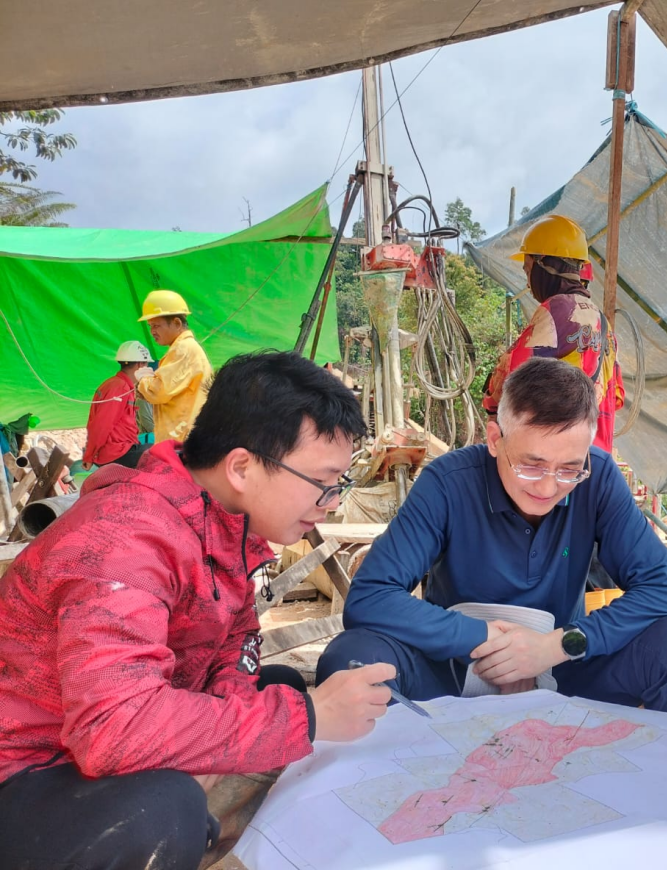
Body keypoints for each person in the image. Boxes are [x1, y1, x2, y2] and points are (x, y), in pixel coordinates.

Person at [0, 351, 397, 870]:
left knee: (276, 684)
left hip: (92, 744)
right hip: (29, 764)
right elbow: (112, 726)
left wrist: (225, 742)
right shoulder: (124, 540)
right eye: (325, 483)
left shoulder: (224, 523)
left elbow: (236, 645)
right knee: (165, 809)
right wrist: (307, 719)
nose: (332, 503)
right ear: (242, 467)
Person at [320, 358, 667, 752]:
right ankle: (380, 790)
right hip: (453, 669)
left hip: (561, 669)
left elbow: (659, 588)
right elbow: (371, 596)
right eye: (532, 465)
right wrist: (482, 639)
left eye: (569, 469)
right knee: (353, 657)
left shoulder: (598, 478)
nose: (548, 488)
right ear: (495, 439)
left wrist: (556, 647)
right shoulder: (447, 483)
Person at [483, 214, 624, 453]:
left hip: (558, 456)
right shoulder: (603, 323)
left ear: (544, 266)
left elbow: (511, 376)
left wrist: (490, 401)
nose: (528, 284)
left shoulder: (558, 308)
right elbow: (616, 395)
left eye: (528, 270)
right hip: (596, 456)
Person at [136, 288, 213, 443]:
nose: (152, 331)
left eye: (156, 326)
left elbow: (160, 391)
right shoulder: (184, 348)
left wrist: (143, 380)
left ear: (177, 323)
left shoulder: (182, 349)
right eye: (150, 326)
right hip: (184, 436)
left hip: (180, 439)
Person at [81, 339, 153, 470]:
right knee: (166, 454)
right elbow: (101, 425)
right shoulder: (119, 388)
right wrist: (89, 456)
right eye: (147, 365)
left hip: (120, 449)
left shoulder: (118, 384)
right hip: (116, 453)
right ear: (140, 365)